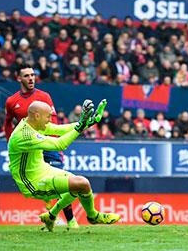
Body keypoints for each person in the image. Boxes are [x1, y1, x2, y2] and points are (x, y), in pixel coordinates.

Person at [8, 99, 120, 232]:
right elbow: (59, 144)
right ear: (37, 116)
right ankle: (93, 216)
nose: (50, 119)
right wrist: (80, 127)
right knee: (81, 183)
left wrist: (88, 123)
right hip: (33, 182)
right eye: (48, 116)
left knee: (80, 184)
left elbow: (61, 129)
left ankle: (51, 216)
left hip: (45, 170)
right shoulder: (24, 135)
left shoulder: (33, 124)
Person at [3, 64, 79, 228]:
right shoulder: (12, 101)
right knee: (43, 183)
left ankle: (71, 219)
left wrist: (56, 143)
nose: (31, 78)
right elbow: (8, 123)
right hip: (29, 146)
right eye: (27, 76)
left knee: (62, 181)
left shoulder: (44, 96)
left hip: (48, 143)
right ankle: (51, 214)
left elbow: (53, 122)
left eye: (32, 75)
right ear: (19, 78)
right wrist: (10, 143)